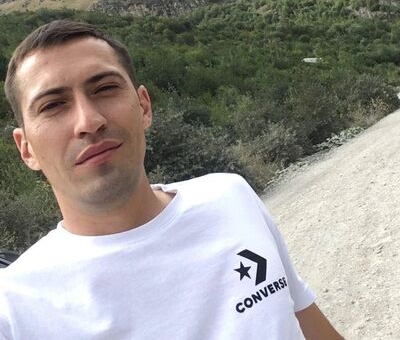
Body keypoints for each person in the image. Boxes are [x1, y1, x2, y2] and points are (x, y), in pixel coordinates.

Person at [0, 20, 343, 339]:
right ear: (26, 148)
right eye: (52, 106)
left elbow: (306, 322)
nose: (89, 121)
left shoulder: (230, 197)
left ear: (144, 107)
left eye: (104, 88)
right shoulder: (15, 308)